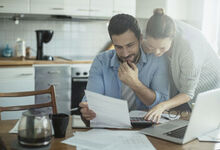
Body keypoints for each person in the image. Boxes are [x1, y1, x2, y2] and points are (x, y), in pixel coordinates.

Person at [79, 14, 170, 123]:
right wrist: (87, 109)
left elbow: (163, 103)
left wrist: (135, 83)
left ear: (140, 39)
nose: (125, 53)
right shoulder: (101, 61)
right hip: (109, 126)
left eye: (130, 45)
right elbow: (91, 99)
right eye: (118, 47)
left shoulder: (157, 60)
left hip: (146, 127)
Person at [143, 8, 220, 123]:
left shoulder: (189, 48)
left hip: (210, 92)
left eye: (162, 48)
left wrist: (162, 106)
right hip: (184, 93)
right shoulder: (157, 27)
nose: (157, 52)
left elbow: (187, 93)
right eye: (152, 46)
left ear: (172, 38)